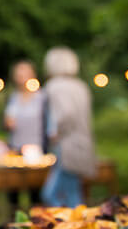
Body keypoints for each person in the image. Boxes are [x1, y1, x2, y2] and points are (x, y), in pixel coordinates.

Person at [40, 47, 97, 207]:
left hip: (66, 147)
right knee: (73, 192)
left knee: (52, 194)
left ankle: (66, 227)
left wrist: (56, 132)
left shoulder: (55, 86)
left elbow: (66, 114)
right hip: (83, 145)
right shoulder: (81, 86)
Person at [4, 59, 46, 209]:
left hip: (36, 149)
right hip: (15, 147)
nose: (21, 75)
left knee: (35, 191)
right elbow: (7, 121)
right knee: (13, 191)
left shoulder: (41, 97)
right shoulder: (13, 97)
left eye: (24, 71)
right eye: (18, 72)